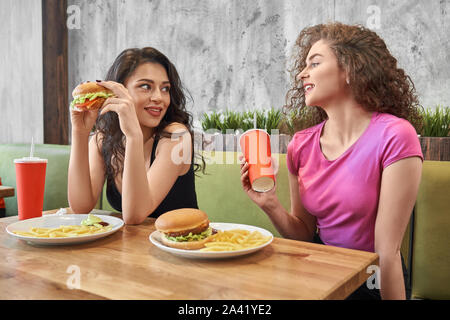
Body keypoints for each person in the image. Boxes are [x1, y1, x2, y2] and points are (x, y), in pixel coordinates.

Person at [240, 22, 423, 300]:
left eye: (314, 63)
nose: (302, 74)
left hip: (371, 279)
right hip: (318, 271)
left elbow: (387, 252)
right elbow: (303, 233)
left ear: (350, 69)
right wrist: (271, 204)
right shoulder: (301, 144)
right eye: (304, 65)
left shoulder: (395, 135)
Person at [68, 47, 203, 225]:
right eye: (145, 86)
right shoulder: (102, 140)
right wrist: (80, 132)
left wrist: (133, 137)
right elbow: (80, 207)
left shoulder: (177, 137)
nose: (158, 97)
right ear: (118, 91)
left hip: (179, 248)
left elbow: (134, 215)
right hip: (130, 248)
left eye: (165, 88)